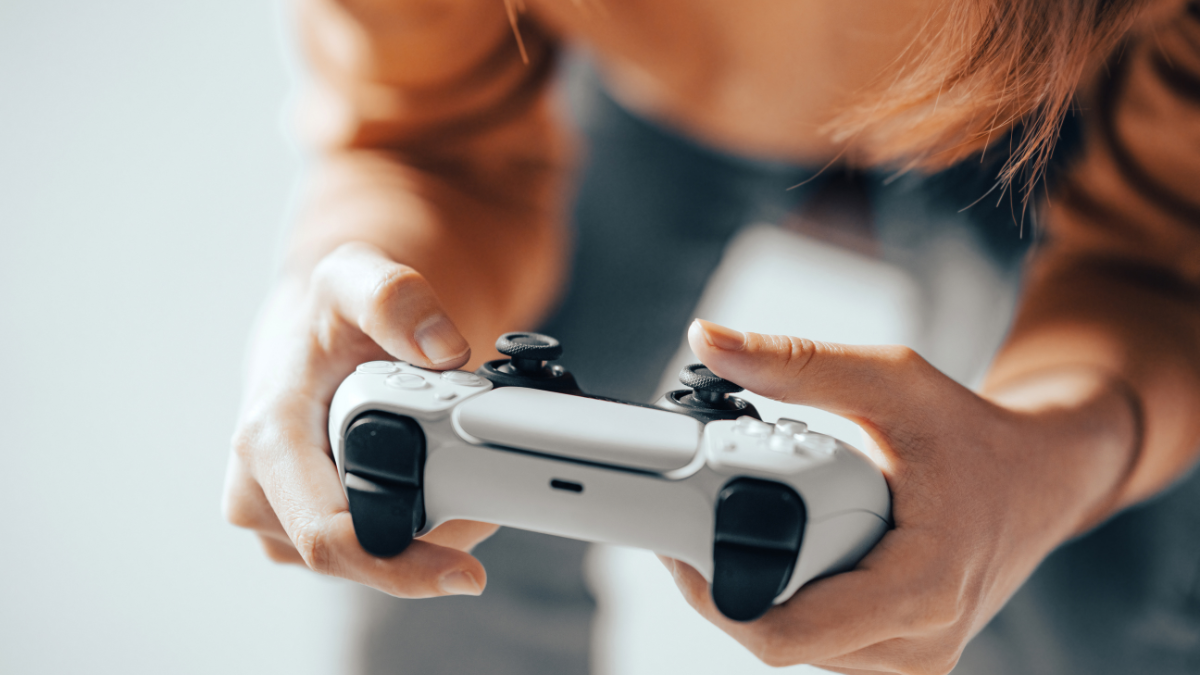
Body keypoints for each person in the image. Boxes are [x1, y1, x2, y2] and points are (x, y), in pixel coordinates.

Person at [222, 1, 1200, 673]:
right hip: (644, 77)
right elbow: (432, 146)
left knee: (1054, 599)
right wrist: (340, 291)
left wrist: (1061, 450)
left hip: (1065, 97)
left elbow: (1159, 267)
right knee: (414, 540)